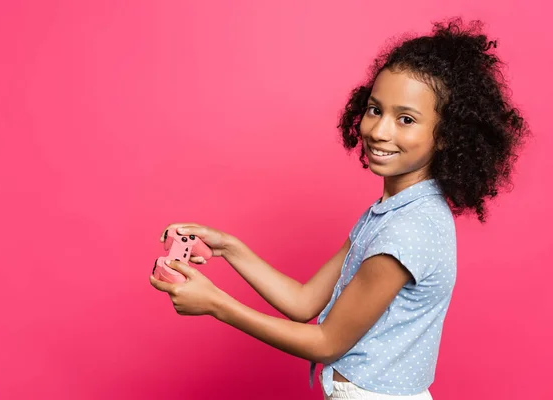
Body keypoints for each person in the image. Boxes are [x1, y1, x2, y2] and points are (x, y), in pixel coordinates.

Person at [149, 17, 529, 399]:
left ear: (447, 136)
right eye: (375, 109)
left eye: (406, 119)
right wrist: (229, 247)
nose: (379, 131)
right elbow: (304, 302)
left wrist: (216, 304)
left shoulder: (407, 231)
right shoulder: (391, 212)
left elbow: (328, 342)